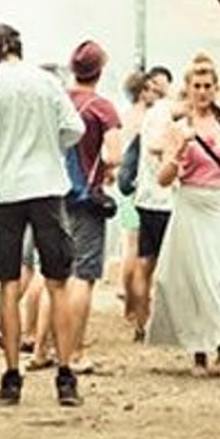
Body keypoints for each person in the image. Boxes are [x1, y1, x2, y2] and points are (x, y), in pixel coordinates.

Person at [0, 23, 87, 407]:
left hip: (6, 190)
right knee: (58, 282)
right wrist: (50, 147)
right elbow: (74, 127)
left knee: (8, 283)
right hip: (47, 187)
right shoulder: (47, 81)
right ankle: (66, 376)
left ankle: (11, 377)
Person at [147, 53, 220, 378]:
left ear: (216, 88)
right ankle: (201, 351)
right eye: (197, 86)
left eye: (208, 86)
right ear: (188, 89)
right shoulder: (178, 128)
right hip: (191, 202)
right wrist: (179, 151)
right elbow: (163, 179)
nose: (203, 92)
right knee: (199, 278)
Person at [60, 41, 124, 376]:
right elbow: (114, 155)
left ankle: (50, 347)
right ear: (100, 70)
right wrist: (106, 168)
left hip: (55, 196)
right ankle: (75, 351)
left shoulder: (58, 101)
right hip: (86, 199)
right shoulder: (102, 108)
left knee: (56, 275)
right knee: (82, 276)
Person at [123, 67, 177, 342]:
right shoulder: (169, 113)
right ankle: (164, 322)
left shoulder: (149, 115)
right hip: (166, 200)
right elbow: (159, 148)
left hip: (145, 198)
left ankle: (140, 323)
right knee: (169, 265)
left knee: (144, 261)